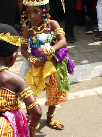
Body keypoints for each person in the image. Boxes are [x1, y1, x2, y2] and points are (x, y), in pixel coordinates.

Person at [20, 0, 75, 130]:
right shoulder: (27, 28)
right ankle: (31, 118)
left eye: (36, 12)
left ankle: (50, 116)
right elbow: (23, 50)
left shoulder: (52, 24)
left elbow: (63, 41)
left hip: (52, 64)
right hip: (34, 65)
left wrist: (50, 50)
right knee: (30, 94)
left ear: (44, 11)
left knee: (54, 92)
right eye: (29, 12)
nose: (32, 16)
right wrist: (33, 59)